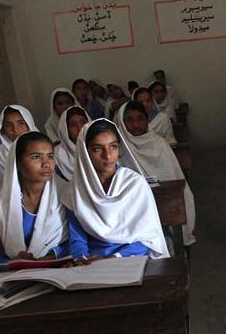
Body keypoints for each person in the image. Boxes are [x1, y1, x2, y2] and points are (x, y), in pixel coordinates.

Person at [62, 119, 170, 259]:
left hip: (131, 257)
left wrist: (115, 258)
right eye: (97, 149)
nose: (107, 155)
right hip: (93, 261)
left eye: (113, 147)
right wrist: (82, 258)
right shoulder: (74, 191)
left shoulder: (135, 185)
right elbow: (77, 239)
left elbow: (147, 238)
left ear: (120, 149)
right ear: (85, 152)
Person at [115, 101, 197, 246]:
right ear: (122, 122)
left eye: (140, 119)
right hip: (133, 212)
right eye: (130, 120)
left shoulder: (158, 144)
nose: (135, 125)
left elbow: (173, 178)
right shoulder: (120, 148)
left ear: (147, 120)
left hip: (165, 203)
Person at [0, 132, 69, 263]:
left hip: (59, 267)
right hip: (15, 274)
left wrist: (51, 256)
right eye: (36, 157)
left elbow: (78, 242)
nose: (46, 164)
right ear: (17, 163)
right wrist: (16, 261)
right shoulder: (0, 205)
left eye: (50, 156)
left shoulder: (66, 195)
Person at [0, 105, 37, 194]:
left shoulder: (42, 146)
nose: (15, 129)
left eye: (21, 123)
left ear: (29, 124)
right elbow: (8, 182)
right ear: (2, 130)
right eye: (8, 125)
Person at [55, 106, 91, 184]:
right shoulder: (59, 156)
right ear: (66, 130)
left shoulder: (99, 149)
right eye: (73, 125)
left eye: (83, 122)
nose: (80, 128)